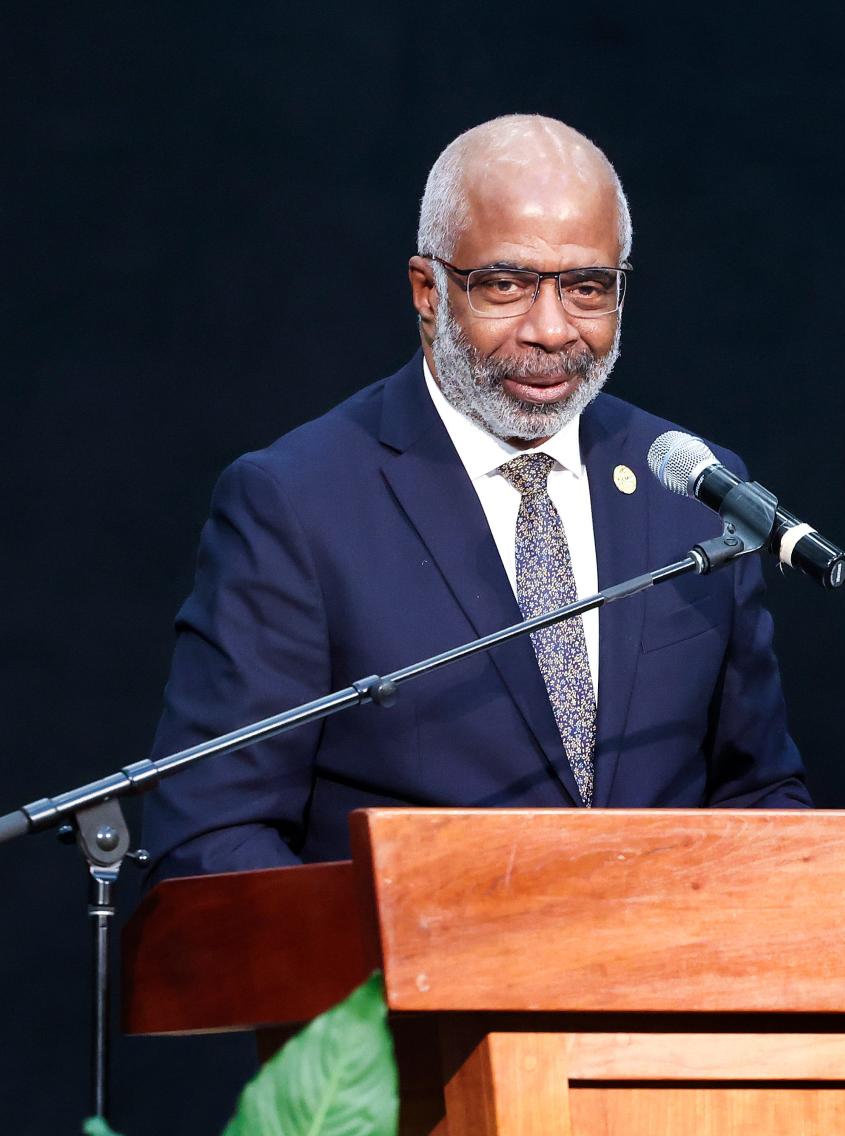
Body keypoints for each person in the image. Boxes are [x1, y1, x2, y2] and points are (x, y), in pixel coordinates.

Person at [142, 115, 811, 882]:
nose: (552, 330)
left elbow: (760, 793)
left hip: (653, 990)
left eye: (587, 287)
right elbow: (214, 837)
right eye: (506, 284)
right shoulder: (297, 504)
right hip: (409, 993)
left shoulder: (690, 487)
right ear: (428, 291)